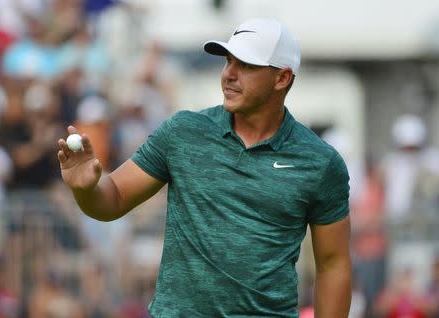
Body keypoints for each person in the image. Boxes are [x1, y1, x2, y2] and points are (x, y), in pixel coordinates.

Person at [58, 18, 352, 317]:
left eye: (246, 65)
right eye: (228, 61)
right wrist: (86, 189)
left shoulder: (320, 162)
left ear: (282, 78)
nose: (229, 75)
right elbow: (113, 200)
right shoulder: (182, 131)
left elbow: (333, 266)